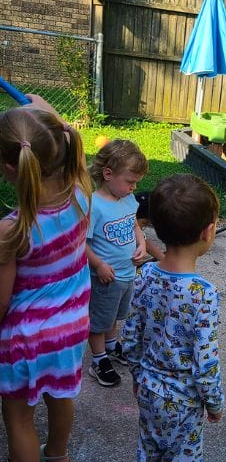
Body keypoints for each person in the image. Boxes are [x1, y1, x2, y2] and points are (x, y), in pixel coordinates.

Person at [119, 173, 224, 462]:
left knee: (149, 457)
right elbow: (206, 361)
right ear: (208, 232)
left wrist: (136, 377)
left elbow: (130, 336)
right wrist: (214, 403)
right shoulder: (202, 293)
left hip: (147, 388)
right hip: (182, 402)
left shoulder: (146, 274)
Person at [0, 95, 92, 462]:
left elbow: (2, 301)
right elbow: (68, 146)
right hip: (71, 327)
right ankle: (57, 455)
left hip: (27, 338)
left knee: (18, 416)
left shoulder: (12, 228)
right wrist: (50, 117)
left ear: (9, 169)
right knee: (61, 392)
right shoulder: (83, 194)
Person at [86, 140, 148, 387]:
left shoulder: (127, 200)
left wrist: (141, 244)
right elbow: (81, 242)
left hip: (126, 274)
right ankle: (98, 360)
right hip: (104, 277)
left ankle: (111, 347)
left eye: (136, 183)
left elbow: (135, 226)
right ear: (108, 174)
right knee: (99, 320)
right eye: (130, 182)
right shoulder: (94, 205)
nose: (134, 188)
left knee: (113, 316)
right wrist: (99, 265)